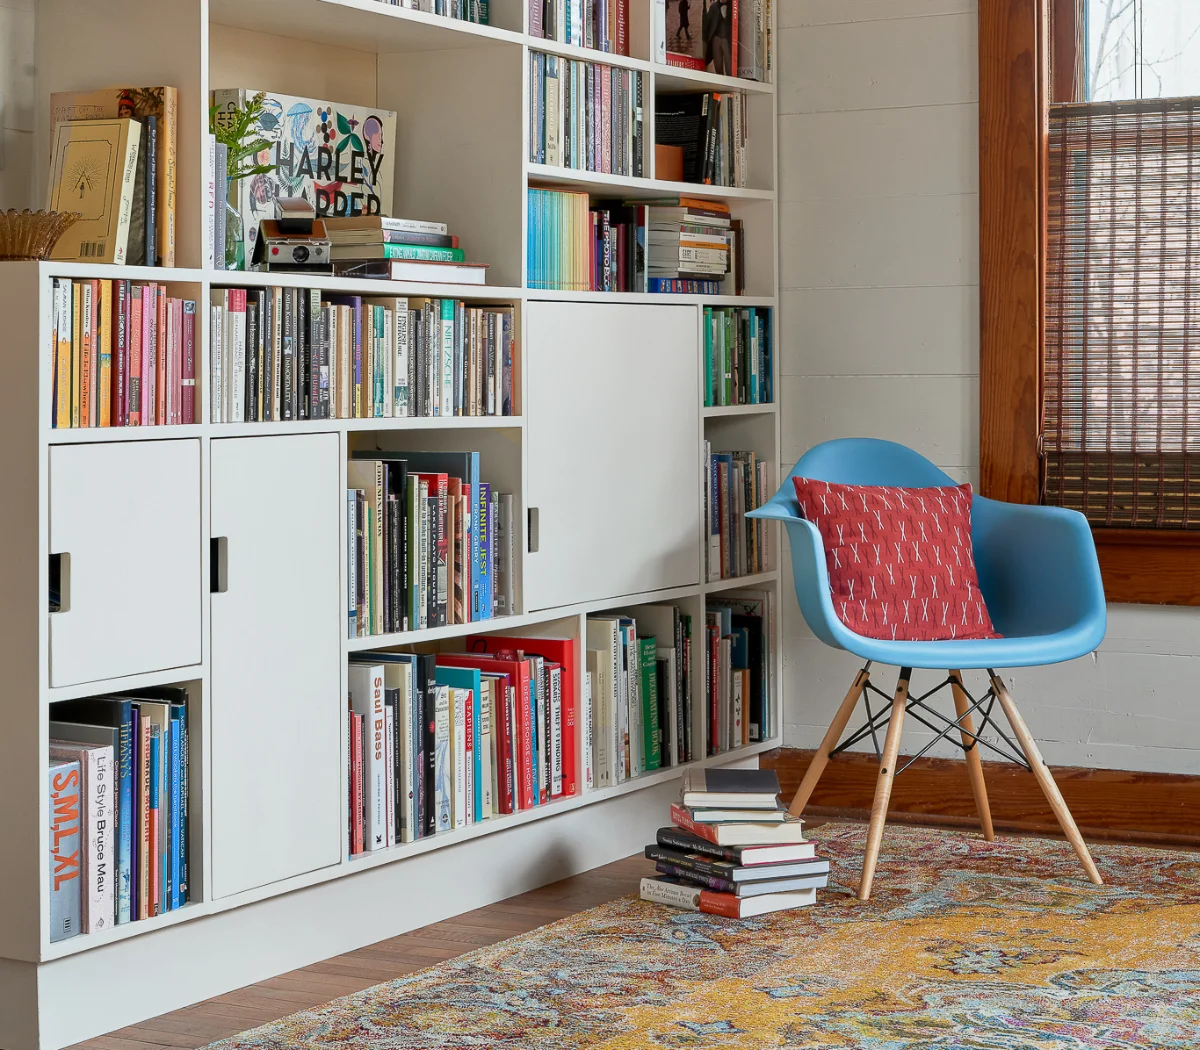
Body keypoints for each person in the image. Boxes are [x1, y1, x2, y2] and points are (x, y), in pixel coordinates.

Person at [703, 0, 731, 76]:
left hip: (728, 40)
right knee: (718, 64)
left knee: (730, 67)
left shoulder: (733, 7)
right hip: (716, 39)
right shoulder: (713, 7)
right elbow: (706, 25)